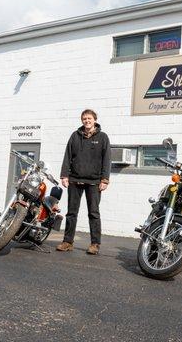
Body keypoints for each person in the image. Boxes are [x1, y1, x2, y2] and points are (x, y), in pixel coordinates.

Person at [57, 109, 111, 255]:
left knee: (93, 213)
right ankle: (68, 242)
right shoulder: (75, 136)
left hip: (94, 182)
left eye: (89, 118)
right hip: (75, 179)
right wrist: (64, 175)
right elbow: (67, 156)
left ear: (95, 120)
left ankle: (95, 244)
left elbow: (107, 159)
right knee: (71, 213)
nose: (87, 121)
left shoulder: (103, 137)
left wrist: (105, 179)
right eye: (84, 119)